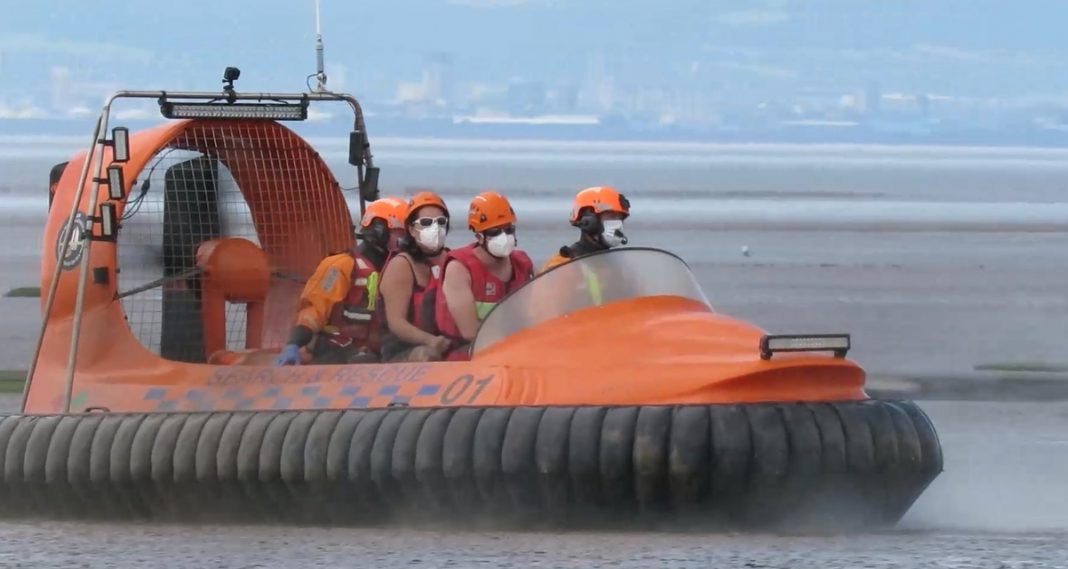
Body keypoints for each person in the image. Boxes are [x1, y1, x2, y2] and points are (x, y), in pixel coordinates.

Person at [274, 196, 409, 366]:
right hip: (333, 347)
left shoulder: (398, 270)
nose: (405, 240)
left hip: (374, 347)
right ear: (379, 230)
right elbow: (314, 310)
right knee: (363, 361)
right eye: (401, 232)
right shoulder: (339, 266)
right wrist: (294, 344)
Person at [435, 191, 534, 360]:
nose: (504, 236)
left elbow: (540, 312)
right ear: (479, 236)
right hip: (467, 356)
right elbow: (470, 331)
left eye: (508, 229)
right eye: (495, 232)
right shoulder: (459, 268)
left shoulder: (523, 265)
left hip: (515, 351)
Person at [377, 191, 454, 362]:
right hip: (402, 350)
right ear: (411, 229)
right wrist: (431, 341)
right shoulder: (401, 265)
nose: (435, 228)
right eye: (426, 223)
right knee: (429, 356)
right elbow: (396, 323)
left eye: (441, 222)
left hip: (448, 343)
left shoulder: (454, 262)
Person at [540, 185, 631, 273]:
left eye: (619, 218)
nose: (617, 223)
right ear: (588, 220)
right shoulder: (562, 265)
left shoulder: (619, 266)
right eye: (611, 216)